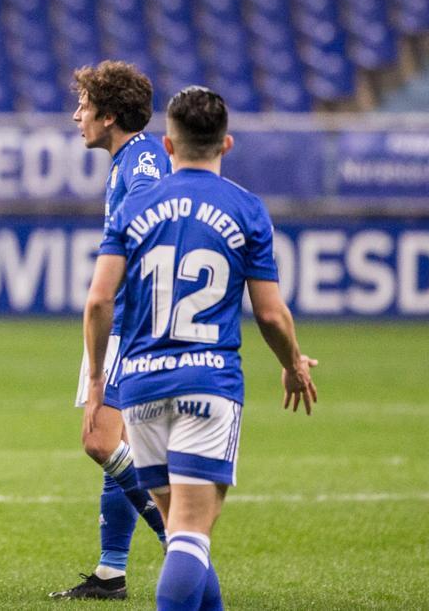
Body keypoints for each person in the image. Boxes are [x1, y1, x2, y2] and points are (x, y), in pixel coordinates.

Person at [83, 86, 316, 610]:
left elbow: (99, 301)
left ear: (168, 145)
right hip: (208, 384)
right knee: (190, 533)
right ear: (226, 144)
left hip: (141, 384)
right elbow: (271, 313)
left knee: (178, 529)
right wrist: (293, 363)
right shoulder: (246, 209)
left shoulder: (136, 203)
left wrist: (99, 377)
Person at [51, 60, 170, 600]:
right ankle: (110, 572)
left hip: (131, 321)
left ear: (110, 115)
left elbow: (153, 220)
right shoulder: (129, 158)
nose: (77, 115)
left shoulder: (141, 162)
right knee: (116, 443)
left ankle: (180, 540)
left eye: (84, 106)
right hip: (132, 318)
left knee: (100, 441)